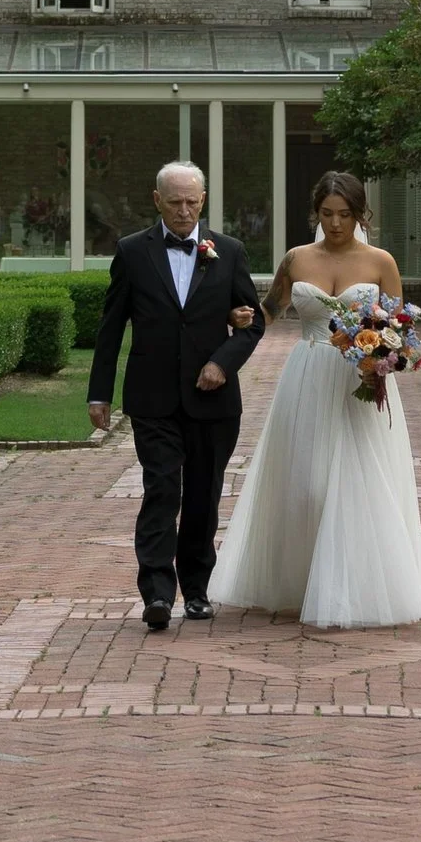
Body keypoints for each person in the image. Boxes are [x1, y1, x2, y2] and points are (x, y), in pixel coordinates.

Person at [209, 168, 421, 629]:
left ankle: (354, 588)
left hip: (360, 381)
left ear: (359, 214)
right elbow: (271, 311)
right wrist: (239, 316)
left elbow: (400, 328)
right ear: (316, 212)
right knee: (307, 483)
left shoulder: (380, 262)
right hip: (307, 375)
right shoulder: (296, 259)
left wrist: (385, 354)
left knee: (355, 481)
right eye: (327, 214)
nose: (335, 224)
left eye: (345, 214)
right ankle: (299, 580)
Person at [86, 160, 265, 630]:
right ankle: (158, 593)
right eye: (174, 202)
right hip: (152, 398)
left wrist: (221, 363)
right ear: (156, 200)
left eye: (192, 202)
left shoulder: (228, 251)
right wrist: (98, 394)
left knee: (204, 497)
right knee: (162, 489)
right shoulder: (131, 252)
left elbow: (252, 322)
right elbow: (110, 330)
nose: (184, 211)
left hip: (213, 401)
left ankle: (199, 591)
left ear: (203, 201)